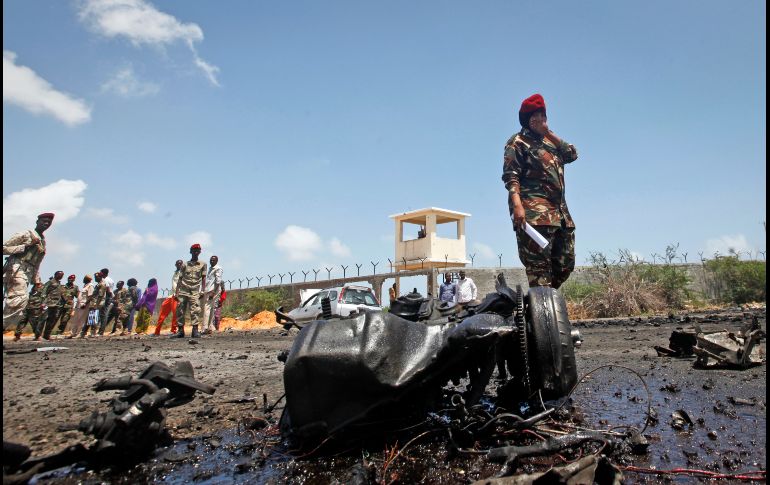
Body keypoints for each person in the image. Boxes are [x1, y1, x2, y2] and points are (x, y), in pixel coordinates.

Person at [502, 93, 579, 289]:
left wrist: (549, 133)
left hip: (560, 215)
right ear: (527, 120)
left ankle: (542, 305)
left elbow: (571, 154)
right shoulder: (517, 142)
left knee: (565, 264)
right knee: (539, 269)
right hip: (534, 215)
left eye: (543, 116)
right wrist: (517, 206)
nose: (540, 120)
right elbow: (511, 176)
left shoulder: (550, 143)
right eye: (535, 116)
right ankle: (542, 311)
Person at [3, 212, 54, 328]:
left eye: (49, 222)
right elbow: (4, 248)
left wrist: (37, 280)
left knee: (16, 303)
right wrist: (25, 246)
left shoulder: (43, 241)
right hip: (16, 269)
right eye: (44, 221)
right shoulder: (26, 234)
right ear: (37, 222)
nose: (46, 223)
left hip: (28, 273)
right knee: (20, 299)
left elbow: (37, 263)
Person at [172, 244, 207, 339]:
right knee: (180, 310)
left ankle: (195, 331)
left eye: (198, 250)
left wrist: (203, 290)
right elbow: (180, 279)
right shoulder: (185, 264)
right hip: (183, 290)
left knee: (195, 310)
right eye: (194, 250)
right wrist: (176, 292)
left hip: (195, 290)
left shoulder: (203, 264)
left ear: (200, 252)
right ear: (190, 251)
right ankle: (180, 331)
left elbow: (204, 278)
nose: (196, 252)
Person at [153, 260, 183, 336]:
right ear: (175, 265)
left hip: (178, 295)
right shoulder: (175, 273)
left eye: (181, 264)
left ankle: (173, 330)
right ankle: (157, 331)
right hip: (171, 295)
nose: (179, 265)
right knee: (162, 312)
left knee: (175, 313)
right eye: (178, 264)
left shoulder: (184, 273)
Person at [39, 271, 67, 340]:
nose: (61, 276)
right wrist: (43, 302)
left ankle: (47, 335)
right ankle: (38, 335)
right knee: (43, 320)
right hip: (48, 303)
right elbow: (44, 292)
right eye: (60, 275)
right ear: (56, 275)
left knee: (51, 321)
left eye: (62, 275)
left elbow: (61, 294)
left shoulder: (59, 283)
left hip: (56, 304)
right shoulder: (50, 282)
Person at [80, 272, 107, 338]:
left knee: (93, 318)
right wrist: (86, 303)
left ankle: (92, 333)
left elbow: (100, 296)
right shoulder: (98, 285)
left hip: (98, 303)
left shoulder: (102, 284)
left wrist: (96, 305)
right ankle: (84, 332)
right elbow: (93, 295)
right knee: (90, 318)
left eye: (96, 277)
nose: (95, 279)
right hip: (93, 303)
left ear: (100, 277)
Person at [202, 255, 222, 335]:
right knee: (211, 309)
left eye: (213, 260)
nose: (211, 261)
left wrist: (213, 292)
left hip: (213, 291)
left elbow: (218, 281)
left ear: (217, 261)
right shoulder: (210, 269)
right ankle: (210, 327)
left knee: (207, 308)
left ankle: (204, 328)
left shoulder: (218, 268)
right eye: (211, 260)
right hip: (208, 290)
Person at [97, 268, 115, 335]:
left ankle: (100, 331)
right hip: (108, 297)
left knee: (103, 315)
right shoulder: (111, 280)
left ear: (103, 273)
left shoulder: (105, 280)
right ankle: (100, 330)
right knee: (103, 314)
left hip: (105, 297)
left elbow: (108, 290)